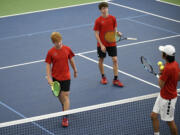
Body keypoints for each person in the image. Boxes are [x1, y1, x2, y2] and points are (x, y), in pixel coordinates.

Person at [45, 32, 77, 127]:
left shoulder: (67, 49)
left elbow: (71, 60)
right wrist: (49, 78)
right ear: (53, 42)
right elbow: (48, 65)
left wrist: (75, 70)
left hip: (66, 77)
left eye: (59, 41)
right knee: (60, 96)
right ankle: (65, 108)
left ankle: (65, 118)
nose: (58, 43)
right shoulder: (50, 52)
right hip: (56, 78)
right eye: (56, 42)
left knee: (65, 96)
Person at [151, 45, 180, 135]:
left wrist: (161, 73)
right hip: (163, 95)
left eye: (163, 52)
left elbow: (160, 85)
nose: (161, 53)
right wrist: (167, 77)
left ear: (165, 56)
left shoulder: (167, 68)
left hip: (168, 98)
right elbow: (178, 78)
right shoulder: (175, 64)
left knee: (170, 122)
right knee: (153, 115)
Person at [93, 2, 124, 87]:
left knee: (115, 60)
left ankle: (116, 79)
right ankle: (103, 77)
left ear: (108, 8)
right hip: (102, 44)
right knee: (101, 60)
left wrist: (118, 33)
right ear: (100, 10)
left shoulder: (113, 18)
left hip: (112, 42)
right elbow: (96, 33)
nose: (104, 10)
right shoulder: (98, 20)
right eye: (102, 8)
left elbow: (115, 30)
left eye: (105, 8)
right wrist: (101, 45)